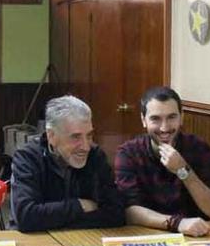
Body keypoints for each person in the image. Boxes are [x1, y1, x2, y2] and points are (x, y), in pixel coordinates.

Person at [115, 86, 210, 237]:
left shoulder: (199, 148)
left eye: (171, 117)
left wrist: (183, 170)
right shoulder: (128, 153)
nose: (164, 128)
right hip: (146, 235)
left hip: (197, 235)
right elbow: (129, 211)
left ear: (181, 117)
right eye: (155, 119)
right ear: (143, 120)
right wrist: (177, 223)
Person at [10, 95, 125, 231]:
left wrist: (53, 218)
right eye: (76, 137)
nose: (86, 146)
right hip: (34, 243)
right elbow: (26, 217)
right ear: (51, 136)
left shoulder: (95, 155)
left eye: (89, 136)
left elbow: (116, 214)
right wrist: (78, 206)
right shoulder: (28, 157)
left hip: (83, 240)